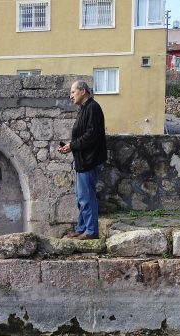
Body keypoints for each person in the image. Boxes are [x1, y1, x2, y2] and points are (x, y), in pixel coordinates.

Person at [58, 80, 107, 240]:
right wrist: (69, 146)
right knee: (81, 197)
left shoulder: (93, 108)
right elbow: (83, 135)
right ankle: (82, 229)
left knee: (86, 197)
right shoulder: (84, 109)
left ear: (83, 91)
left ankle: (91, 231)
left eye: (73, 92)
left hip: (89, 160)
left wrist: (72, 145)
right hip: (82, 160)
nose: (70, 95)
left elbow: (92, 135)